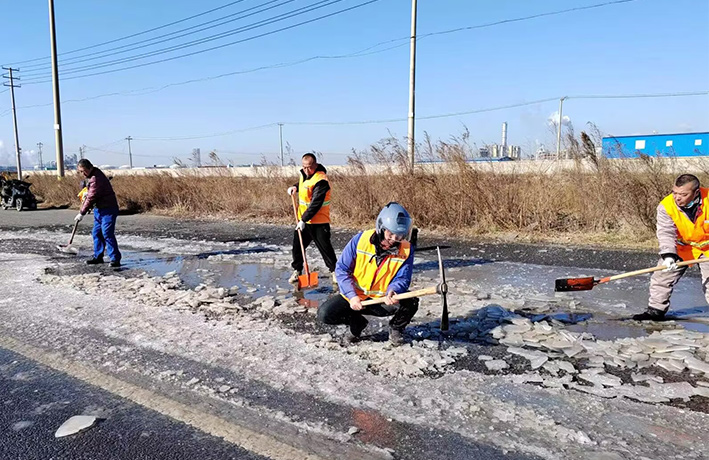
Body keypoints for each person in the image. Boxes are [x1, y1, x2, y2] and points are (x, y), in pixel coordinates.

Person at [317, 202, 418, 345]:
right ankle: (357, 323)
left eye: (399, 236)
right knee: (325, 314)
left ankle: (396, 328)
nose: (394, 239)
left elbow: (402, 277)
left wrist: (394, 290)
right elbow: (342, 269)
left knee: (411, 302)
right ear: (381, 228)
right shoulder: (360, 240)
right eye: (390, 234)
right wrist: (352, 296)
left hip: (381, 300)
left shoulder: (406, 249)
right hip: (355, 297)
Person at [634, 174, 709, 320]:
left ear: (696, 192)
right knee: (661, 277)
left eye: (683, 194)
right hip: (681, 248)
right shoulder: (666, 206)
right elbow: (666, 232)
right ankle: (655, 311)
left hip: (707, 249)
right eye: (675, 192)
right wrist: (669, 255)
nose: (677, 198)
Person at [287, 152, 338, 284]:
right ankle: (297, 271)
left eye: (309, 167)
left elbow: (316, 203)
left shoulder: (321, 181)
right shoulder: (304, 175)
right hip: (303, 221)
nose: (306, 170)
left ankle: (335, 272)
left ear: (315, 165)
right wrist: (295, 187)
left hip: (319, 222)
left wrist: (303, 220)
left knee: (325, 249)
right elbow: (304, 185)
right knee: (297, 247)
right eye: (304, 167)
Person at [74, 159, 122, 267]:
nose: (82, 174)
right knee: (96, 233)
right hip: (99, 209)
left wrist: (82, 213)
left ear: (89, 168)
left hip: (108, 209)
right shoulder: (91, 176)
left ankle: (115, 259)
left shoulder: (96, 178)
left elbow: (92, 197)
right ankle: (98, 256)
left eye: (83, 171)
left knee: (107, 233)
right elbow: (90, 194)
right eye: (80, 172)